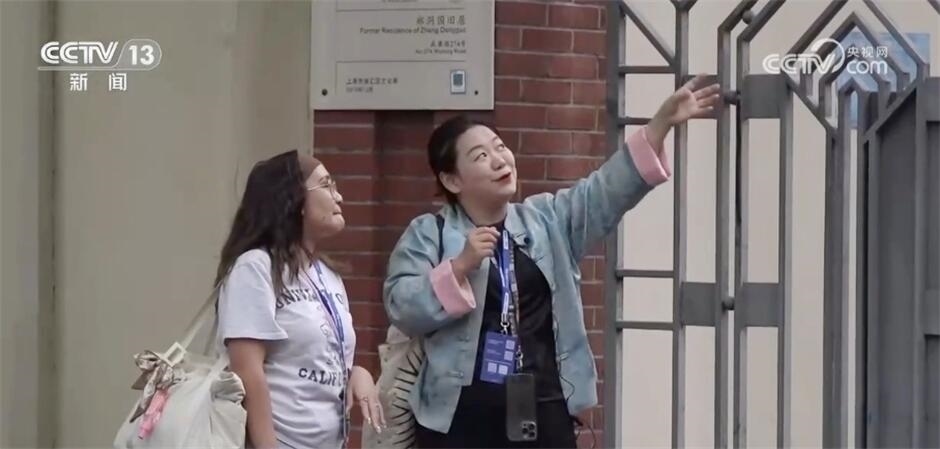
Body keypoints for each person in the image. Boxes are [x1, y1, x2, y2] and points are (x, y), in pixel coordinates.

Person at [382, 75, 720, 448]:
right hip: (459, 418)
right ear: (452, 180)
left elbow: (603, 192)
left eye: (499, 148)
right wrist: (459, 266)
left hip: (543, 407)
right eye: (480, 156)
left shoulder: (545, 220)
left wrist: (660, 124)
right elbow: (401, 305)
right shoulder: (429, 233)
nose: (499, 160)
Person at [214, 150, 386, 449]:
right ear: (294, 200)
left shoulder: (328, 276)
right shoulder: (255, 267)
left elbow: (314, 359)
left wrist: (356, 373)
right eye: (327, 185)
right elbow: (247, 371)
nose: (339, 196)